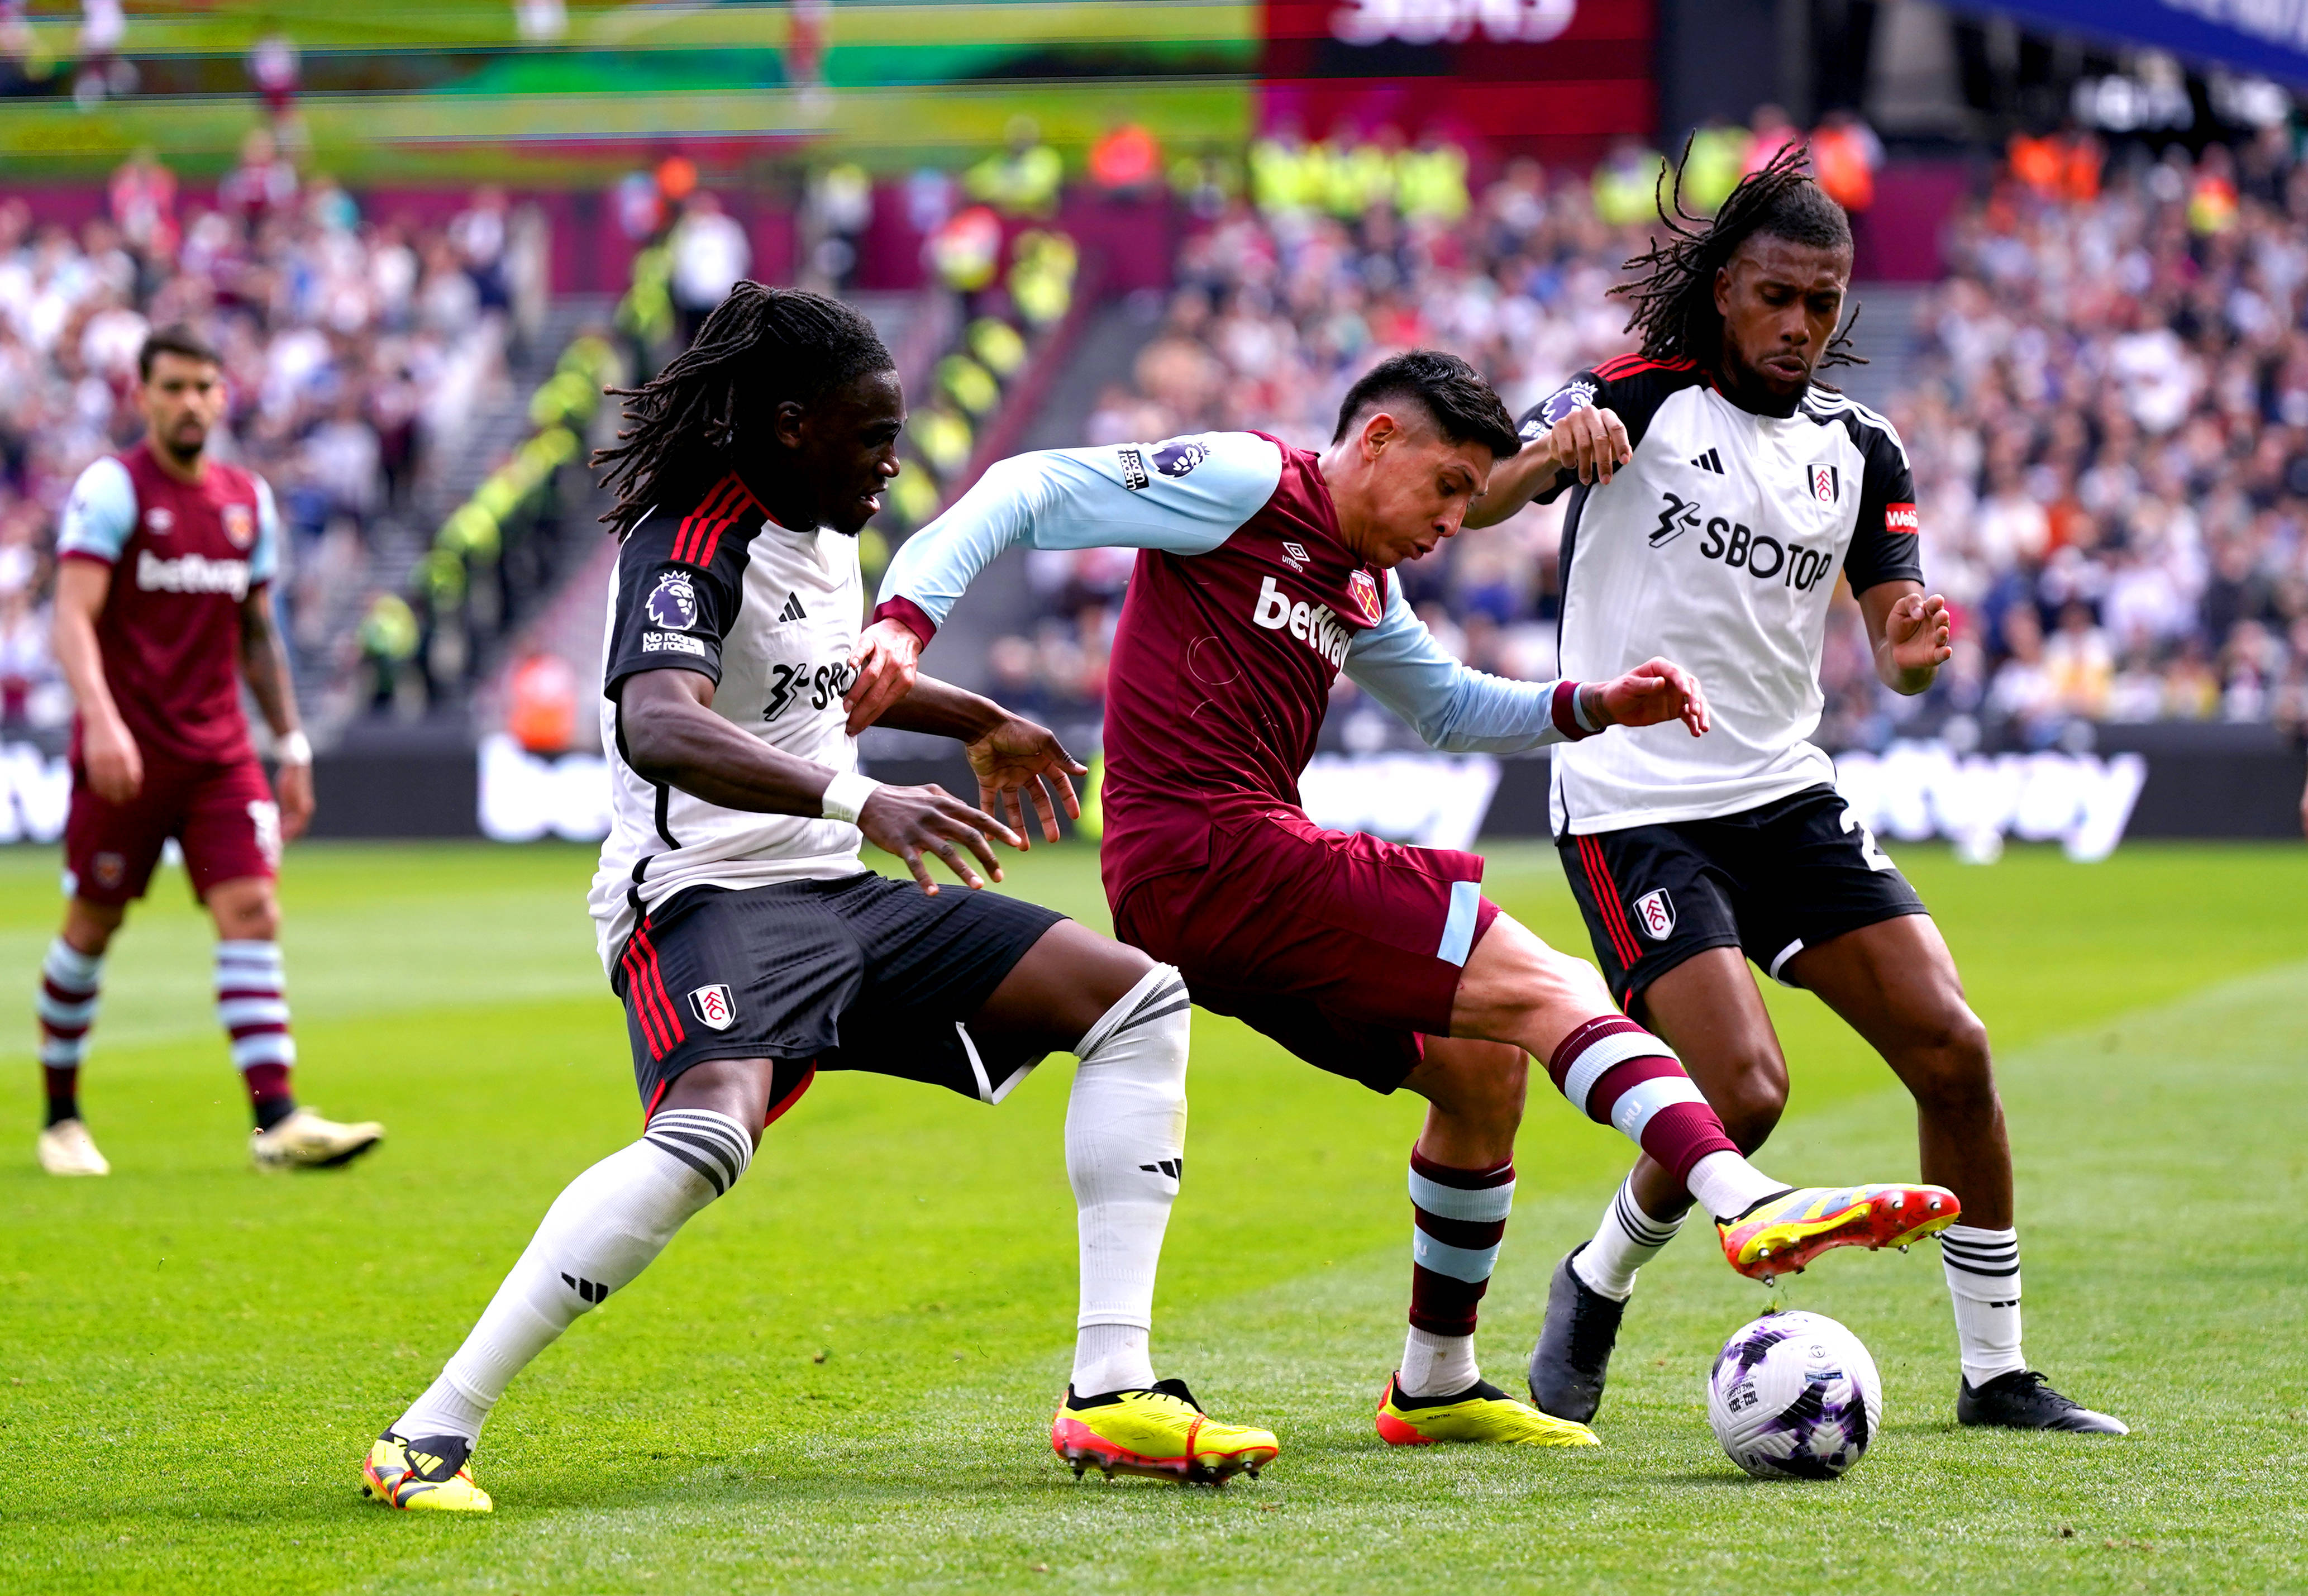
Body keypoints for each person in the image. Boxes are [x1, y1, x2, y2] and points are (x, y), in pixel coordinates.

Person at [850, 348, 1961, 1451]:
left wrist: (1595, 704)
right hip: (1210, 848)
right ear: (1375, 442)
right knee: (1548, 984)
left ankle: (1433, 1382)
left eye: (1467, 501)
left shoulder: (1358, 578)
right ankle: (1740, 1197)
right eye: (1444, 488)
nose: (1449, 523)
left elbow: (1447, 706)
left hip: (1210, 885)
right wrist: (903, 618)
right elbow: (1026, 487)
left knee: (1477, 1069)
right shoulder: (1246, 480)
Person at [360, 286, 1276, 1514]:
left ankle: (1111, 1389)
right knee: (706, 1138)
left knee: (1136, 998)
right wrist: (865, 804)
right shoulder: (686, 540)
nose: (890, 463)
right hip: (696, 899)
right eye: (869, 437)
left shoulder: (827, 532)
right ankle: (429, 1432)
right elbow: (659, 723)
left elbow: (819, 678)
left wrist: (977, 717)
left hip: (833, 893)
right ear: (788, 426)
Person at [1463, 147, 2125, 1435]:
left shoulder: (1859, 446)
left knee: (1954, 1050)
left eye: (1821, 303)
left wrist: (1914, 653)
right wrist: (1552, 448)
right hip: (1631, 801)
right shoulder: (1631, 397)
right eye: (1774, 296)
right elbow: (1474, 499)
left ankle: (1995, 1372)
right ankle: (1594, 1280)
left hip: (1783, 791)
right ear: (1722, 289)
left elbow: (1893, 635)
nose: (1797, 326)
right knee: (1745, 1094)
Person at [36, 327, 380, 1179]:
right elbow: (72, 615)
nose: (191, 403)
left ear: (225, 396)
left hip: (220, 754)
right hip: (128, 752)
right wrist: (103, 720)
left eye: (204, 387)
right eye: (174, 387)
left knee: (254, 913)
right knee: (93, 925)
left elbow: (258, 632)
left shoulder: (245, 500)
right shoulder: (114, 489)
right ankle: (61, 1115)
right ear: (143, 395)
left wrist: (292, 744)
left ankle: (277, 1121)